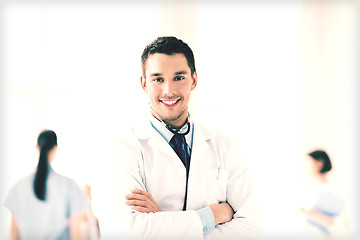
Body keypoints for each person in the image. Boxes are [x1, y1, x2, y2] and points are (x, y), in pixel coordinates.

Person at [109, 36, 262, 239]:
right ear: (144, 83)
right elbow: (129, 230)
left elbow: (252, 229)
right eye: (158, 79)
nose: (169, 90)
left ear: (194, 80)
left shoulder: (224, 147)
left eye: (178, 77)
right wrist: (213, 215)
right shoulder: (126, 148)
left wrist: (161, 222)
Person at [4, 130, 89, 240]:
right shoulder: (69, 186)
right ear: (56, 148)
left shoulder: (18, 187)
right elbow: (76, 232)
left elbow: (14, 232)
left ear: (37, 147)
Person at [299, 150, 349, 239]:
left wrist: (310, 213)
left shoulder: (332, 188)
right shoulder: (310, 187)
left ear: (319, 164)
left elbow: (333, 221)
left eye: (308, 164)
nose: (305, 168)